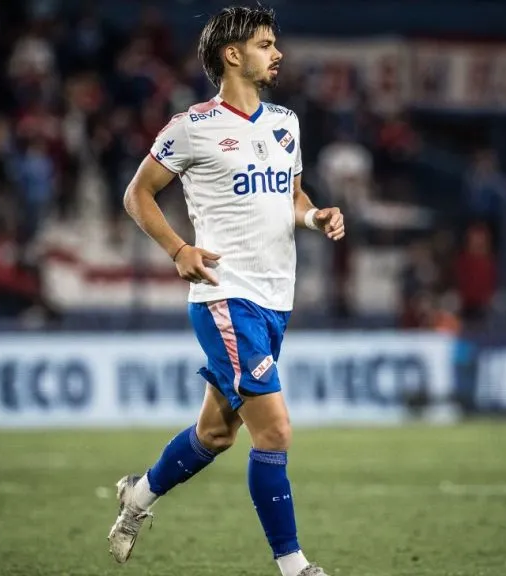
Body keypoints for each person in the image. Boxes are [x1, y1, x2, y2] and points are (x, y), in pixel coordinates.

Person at [110, 6, 344, 576]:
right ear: (233, 55)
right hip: (225, 297)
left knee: (214, 434)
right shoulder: (191, 127)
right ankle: (294, 567)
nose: (278, 53)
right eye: (266, 44)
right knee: (276, 430)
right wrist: (179, 250)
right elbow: (136, 195)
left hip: (274, 300)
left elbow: (290, 196)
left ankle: (136, 498)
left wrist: (316, 218)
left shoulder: (285, 122)